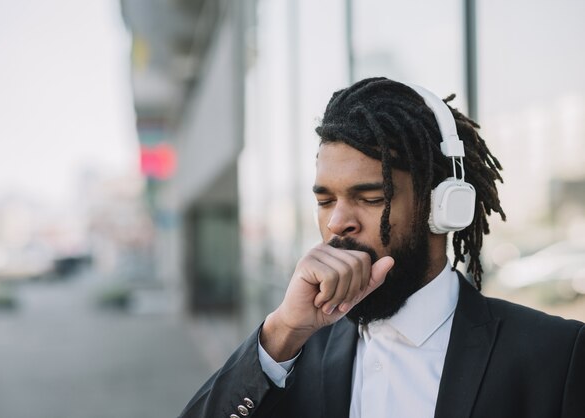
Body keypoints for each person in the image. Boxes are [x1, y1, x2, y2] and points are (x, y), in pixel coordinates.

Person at [178, 77, 584, 418]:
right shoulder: (287, 355)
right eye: (325, 201)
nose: (337, 222)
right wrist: (281, 331)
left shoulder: (555, 356)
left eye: (371, 198)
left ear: (442, 206)